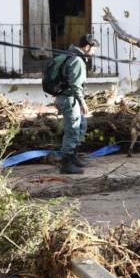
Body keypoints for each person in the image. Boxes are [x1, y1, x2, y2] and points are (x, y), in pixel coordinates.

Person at [54, 34, 98, 174]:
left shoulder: (69, 55)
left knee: (81, 125)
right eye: (93, 49)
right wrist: (82, 102)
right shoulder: (77, 60)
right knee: (72, 131)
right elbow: (75, 85)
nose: (93, 53)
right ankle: (66, 165)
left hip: (66, 98)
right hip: (69, 99)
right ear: (87, 47)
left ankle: (73, 158)